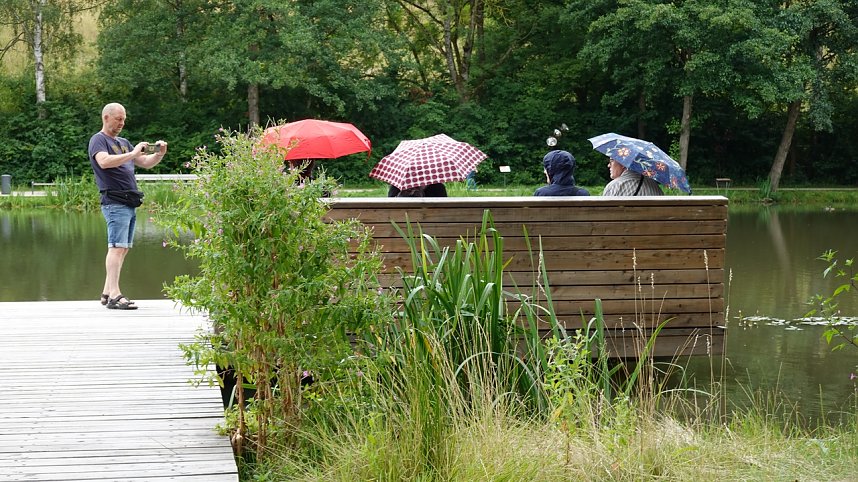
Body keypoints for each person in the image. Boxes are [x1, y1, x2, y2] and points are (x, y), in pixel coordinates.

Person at [88, 102, 167, 310]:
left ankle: (106, 292)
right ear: (106, 117)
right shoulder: (99, 140)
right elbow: (104, 162)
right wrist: (133, 154)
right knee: (116, 247)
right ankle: (115, 295)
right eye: (118, 119)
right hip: (114, 201)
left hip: (129, 201)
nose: (122, 123)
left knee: (123, 249)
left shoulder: (123, 142)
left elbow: (145, 162)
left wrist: (159, 154)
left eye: (124, 119)